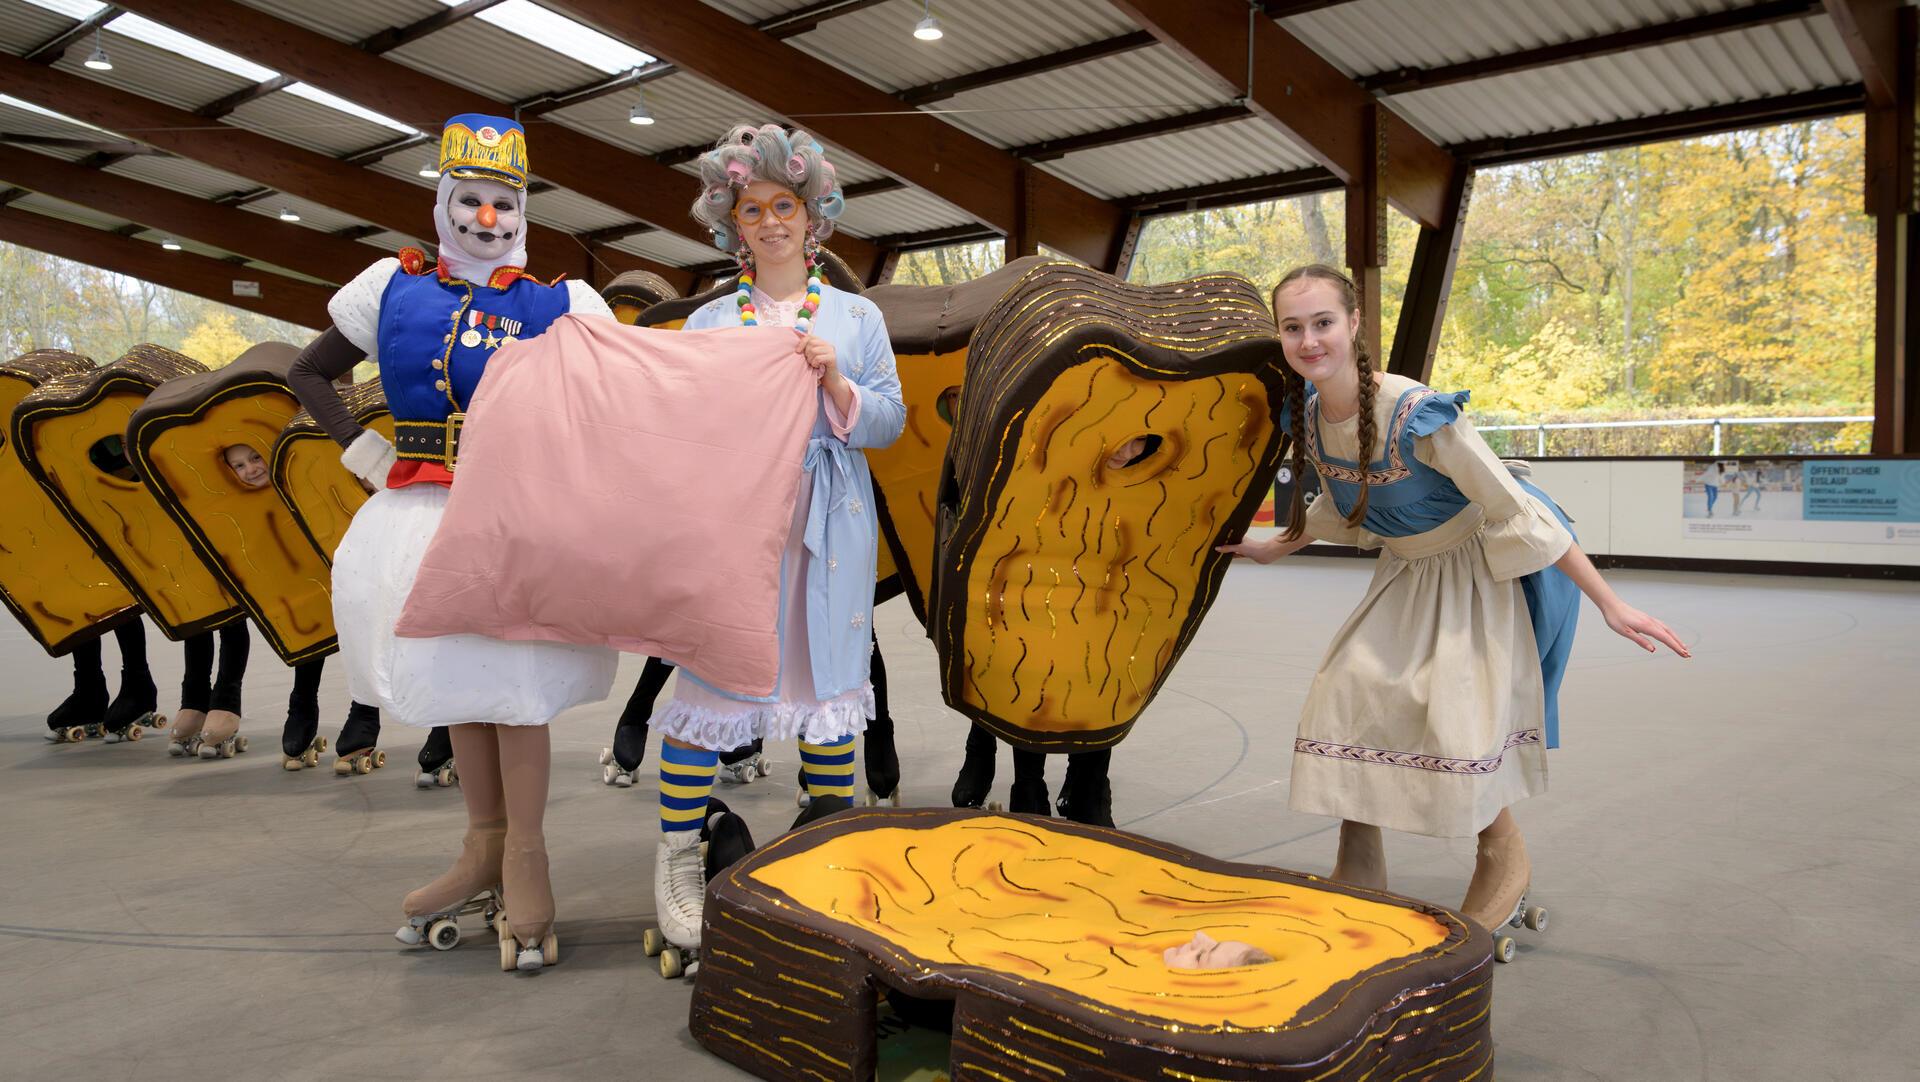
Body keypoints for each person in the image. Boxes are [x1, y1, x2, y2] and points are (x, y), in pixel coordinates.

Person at [1217, 264, 1689, 951]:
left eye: (1323, 322)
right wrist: (1275, 547)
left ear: (1353, 326)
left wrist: (1611, 604)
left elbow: (1517, 510)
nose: (1309, 339)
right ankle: (1359, 862)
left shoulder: (1419, 412)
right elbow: (1338, 504)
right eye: (1293, 327)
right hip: (1407, 571)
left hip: (1477, 570)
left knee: (1455, 716)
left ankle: (1502, 854)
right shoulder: (1313, 418)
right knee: (1347, 691)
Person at [289, 114, 616, 972]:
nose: (484, 216)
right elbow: (306, 371)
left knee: (515, 686)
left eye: (502, 202)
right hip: (421, 514)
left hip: (518, 519)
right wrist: (363, 447)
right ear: (442, 203)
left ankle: (527, 855)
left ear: (521, 210)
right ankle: (482, 847)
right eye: (468, 199)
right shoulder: (390, 288)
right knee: (460, 686)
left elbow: (621, 394)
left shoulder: (558, 303)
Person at [649, 124, 904, 965]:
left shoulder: (859, 318)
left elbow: (890, 423)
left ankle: (823, 855)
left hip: (829, 529)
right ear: (730, 221)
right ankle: (679, 857)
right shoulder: (711, 321)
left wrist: (837, 381)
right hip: (738, 531)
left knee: (829, 696)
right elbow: (680, 433)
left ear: (813, 213)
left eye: (783, 205)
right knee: (711, 693)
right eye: (750, 208)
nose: (769, 222)